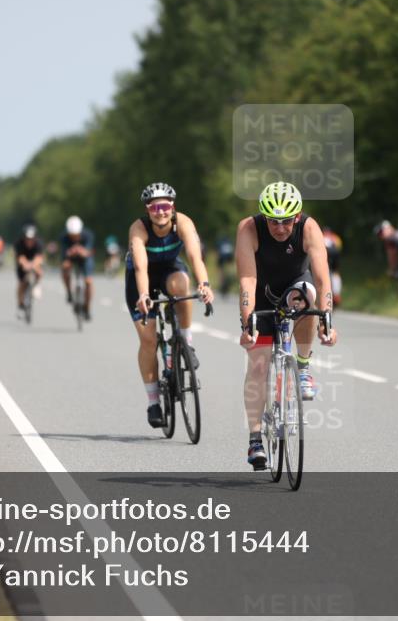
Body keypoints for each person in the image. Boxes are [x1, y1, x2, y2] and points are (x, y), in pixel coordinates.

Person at [237, 181, 338, 469]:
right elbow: (247, 279)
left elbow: (322, 278)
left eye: (285, 221)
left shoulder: (309, 227)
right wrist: (248, 322)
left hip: (296, 284)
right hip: (261, 291)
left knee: (306, 298)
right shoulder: (248, 228)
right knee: (257, 364)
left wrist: (326, 318)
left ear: (296, 217)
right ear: (263, 217)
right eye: (273, 221)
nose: (279, 228)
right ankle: (255, 438)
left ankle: (303, 367)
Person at [127, 182, 213, 429]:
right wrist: (144, 295)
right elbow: (141, 267)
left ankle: (186, 340)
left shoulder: (183, 223)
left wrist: (205, 284)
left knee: (182, 287)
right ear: (148, 209)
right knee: (148, 341)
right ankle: (153, 401)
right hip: (140, 277)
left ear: (172, 206)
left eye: (165, 206)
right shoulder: (139, 229)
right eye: (155, 207)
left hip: (170, 270)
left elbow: (195, 256)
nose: (160, 212)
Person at [60, 215, 95, 320]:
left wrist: (80, 251)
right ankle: (69, 292)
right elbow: (64, 253)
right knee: (65, 267)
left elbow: (89, 251)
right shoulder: (64, 237)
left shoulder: (88, 235)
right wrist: (71, 252)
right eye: (72, 235)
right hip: (71, 258)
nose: (74, 237)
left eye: (76, 235)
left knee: (88, 282)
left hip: (84, 258)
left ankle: (87, 308)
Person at [14, 224, 45, 313]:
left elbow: (39, 257)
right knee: (22, 283)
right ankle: (20, 303)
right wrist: (25, 264)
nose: (29, 241)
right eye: (27, 239)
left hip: (34, 261)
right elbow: (20, 257)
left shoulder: (39, 244)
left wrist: (33, 265)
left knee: (39, 272)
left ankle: (37, 285)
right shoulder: (19, 243)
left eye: (31, 239)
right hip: (23, 262)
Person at [322, 225, 343, 307]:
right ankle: (336, 295)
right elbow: (339, 248)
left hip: (328, 255)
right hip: (334, 255)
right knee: (335, 274)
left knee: (334, 274)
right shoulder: (335, 237)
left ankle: (336, 296)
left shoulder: (321, 236)